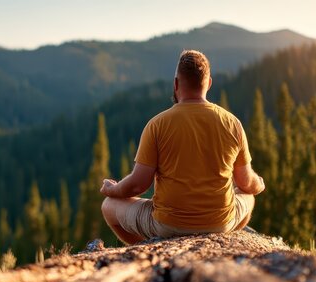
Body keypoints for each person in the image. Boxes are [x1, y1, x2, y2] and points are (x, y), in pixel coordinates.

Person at [100, 50, 265, 245]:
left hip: (168, 225)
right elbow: (246, 183)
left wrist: (113, 189)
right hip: (220, 222)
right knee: (248, 196)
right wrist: (259, 184)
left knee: (108, 206)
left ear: (176, 84)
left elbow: (138, 185)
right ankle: (222, 241)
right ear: (209, 83)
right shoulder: (232, 123)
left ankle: (142, 249)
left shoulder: (157, 124)